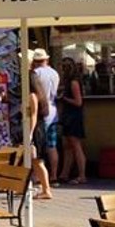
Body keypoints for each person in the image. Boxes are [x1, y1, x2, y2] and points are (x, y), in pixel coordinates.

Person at [30, 49, 60, 182]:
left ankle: (38, 176)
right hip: (53, 110)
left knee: (38, 147)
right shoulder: (54, 73)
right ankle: (53, 174)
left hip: (40, 111)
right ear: (46, 59)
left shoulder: (35, 74)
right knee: (52, 146)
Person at [57, 58, 87, 184]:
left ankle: (82, 175)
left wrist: (64, 98)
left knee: (75, 145)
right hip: (68, 115)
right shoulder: (68, 82)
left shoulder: (73, 82)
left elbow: (78, 102)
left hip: (73, 116)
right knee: (67, 146)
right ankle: (65, 173)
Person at [26, 70, 54, 200]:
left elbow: (33, 115)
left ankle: (46, 189)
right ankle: (25, 185)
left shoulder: (32, 95)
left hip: (36, 129)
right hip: (38, 128)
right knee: (33, 160)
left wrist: (30, 133)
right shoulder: (37, 94)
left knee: (37, 160)